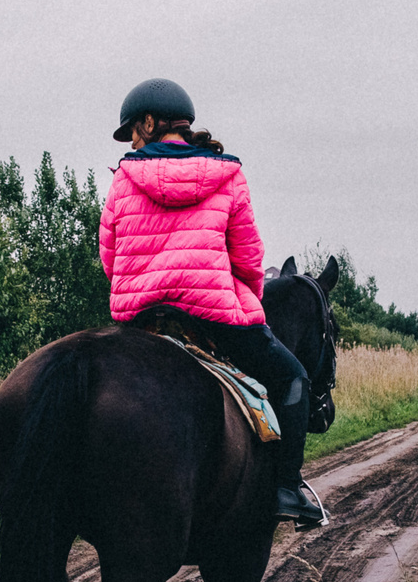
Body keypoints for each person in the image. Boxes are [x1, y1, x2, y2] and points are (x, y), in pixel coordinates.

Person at [98, 77, 325, 528]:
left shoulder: (124, 179)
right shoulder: (228, 176)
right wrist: (241, 299)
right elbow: (249, 258)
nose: (132, 141)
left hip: (142, 318)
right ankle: (287, 488)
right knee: (293, 376)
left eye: (133, 131)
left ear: (149, 122)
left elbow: (110, 258)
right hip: (213, 317)